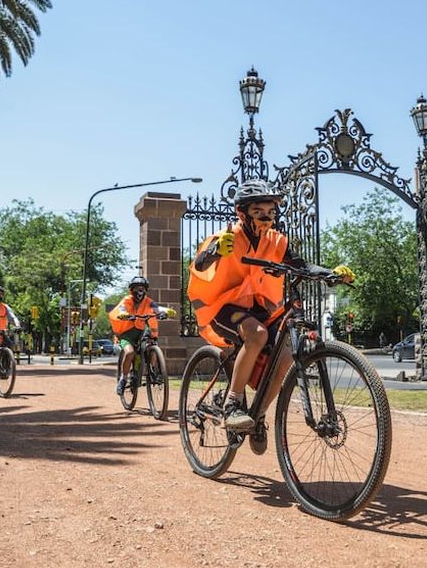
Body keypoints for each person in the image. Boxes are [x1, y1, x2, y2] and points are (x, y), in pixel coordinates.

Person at [187, 179, 355, 447]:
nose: (267, 218)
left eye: (271, 213)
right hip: (223, 307)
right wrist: (214, 251)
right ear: (242, 213)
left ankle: (257, 417)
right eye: (259, 212)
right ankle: (232, 404)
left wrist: (331, 274)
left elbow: (301, 265)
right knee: (257, 334)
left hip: (258, 309)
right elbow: (199, 263)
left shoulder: (277, 242)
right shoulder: (227, 237)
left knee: (286, 357)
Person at [110, 276, 175, 395]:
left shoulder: (148, 301)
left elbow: (156, 308)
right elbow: (121, 308)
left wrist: (165, 311)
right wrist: (123, 314)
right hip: (126, 334)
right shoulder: (127, 300)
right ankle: (123, 379)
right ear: (131, 290)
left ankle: (153, 372)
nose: (140, 291)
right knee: (130, 353)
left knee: (152, 345)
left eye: (142, 288)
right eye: (137, 288)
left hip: (141, 332)